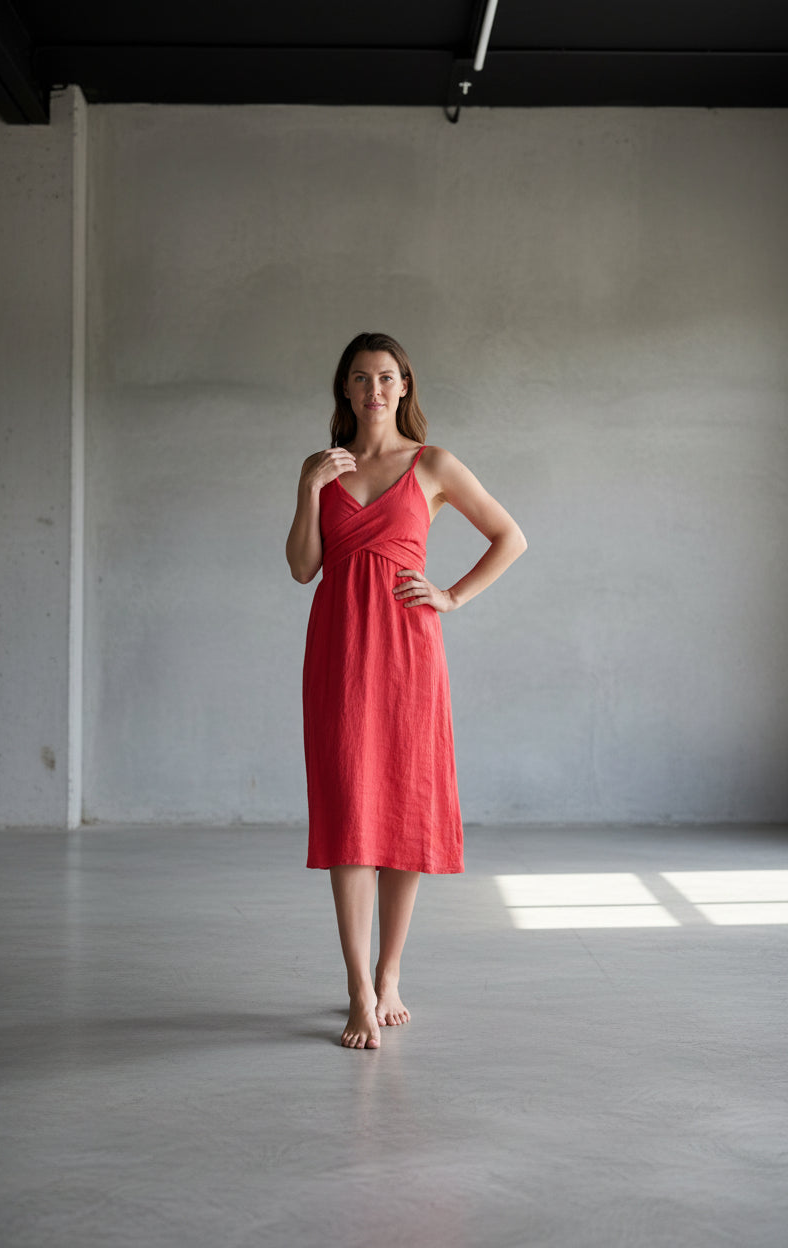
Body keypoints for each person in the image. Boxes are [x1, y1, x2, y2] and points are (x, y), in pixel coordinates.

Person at [285, 331, 527, 1050]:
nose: (374, 391)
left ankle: (390, 974)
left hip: (408, 656)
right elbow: (303, 568)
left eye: (386, 378)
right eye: (360, 379)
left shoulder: (434, 464)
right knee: (349, 813)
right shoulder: (324, 469)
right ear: (345, 391)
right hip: (337, 656)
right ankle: (358, 987)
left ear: (406, 386)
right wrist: (306, 488)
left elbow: (510, 536)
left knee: (402, 810)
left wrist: (450, 596)